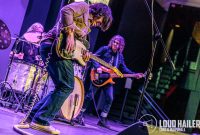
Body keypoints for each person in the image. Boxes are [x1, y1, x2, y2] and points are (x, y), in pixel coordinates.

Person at [22, 2, 113, 135]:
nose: (97, 24)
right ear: (100, 13)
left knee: (61, 87)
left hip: (56, 50)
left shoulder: (86, 28)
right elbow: (65, 10)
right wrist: (70, 33)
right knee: (66, 86)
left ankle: (33, 117)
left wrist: (84, 55)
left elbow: (77, 48)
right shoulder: (84, 7)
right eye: (100, 22)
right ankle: (41, 121)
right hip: (52, 46)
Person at [77, 35, 144, 128]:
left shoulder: (119, 56)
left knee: (110, 98)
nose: (115, 44)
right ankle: (80, 113)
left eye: (118, 44)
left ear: (121, 46)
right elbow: (93, 57)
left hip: (108, 79)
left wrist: (134, 74)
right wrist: (98, 67)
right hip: (98, 76)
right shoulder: (105, 49)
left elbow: (123, 69)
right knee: (89, 96)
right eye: (114, 42)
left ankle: (102, 119)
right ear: (112, 42)